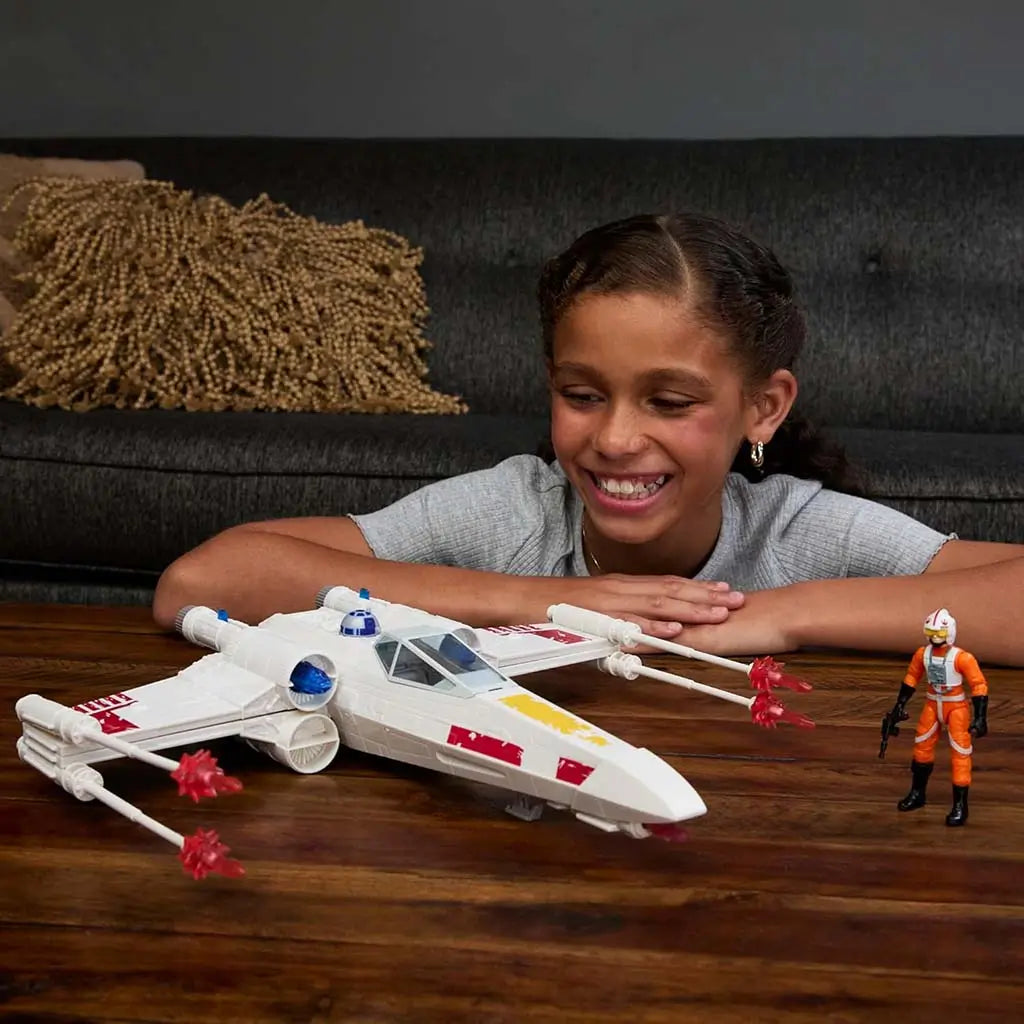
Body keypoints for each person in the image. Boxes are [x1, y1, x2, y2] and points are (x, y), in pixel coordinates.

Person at [152, 213, 1024, 666]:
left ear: (764, 409)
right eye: (581, 394)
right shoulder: (514, 511)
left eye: (670, 401)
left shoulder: (799, 532)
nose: (614, 438)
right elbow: (199, 580)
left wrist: (782, 617)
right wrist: (536, 602)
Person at [882, 608, 989, 826]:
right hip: (932, 703)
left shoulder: (962, 657)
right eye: (930, 632)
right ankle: (917, 793)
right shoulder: (923, 654)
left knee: (960, 754)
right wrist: (899, 705)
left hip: (956, 707)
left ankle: (960, 805)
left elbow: (979, 685)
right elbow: (911, 677)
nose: (934, 637)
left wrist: (980, 717)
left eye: (939, 633)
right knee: (921, 748)